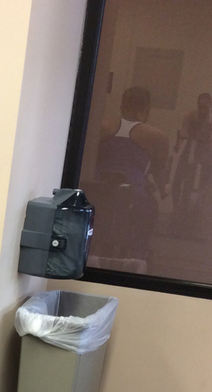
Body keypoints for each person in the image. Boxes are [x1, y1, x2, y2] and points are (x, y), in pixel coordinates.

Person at [90, 85, 168, 272]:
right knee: (150, 209)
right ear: (147, 109)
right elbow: (159, 172)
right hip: (134, 193)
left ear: (122, 106)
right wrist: (164, 190)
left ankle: (90, 249)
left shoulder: (101, 126)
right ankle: (138, 256)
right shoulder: (157, 136)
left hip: (99, 190)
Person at [170, 92, 212, 233]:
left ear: (210, 106)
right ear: (197, 106)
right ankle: (178, 210)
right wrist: (178, 144)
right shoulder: (190, 116)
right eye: (201, 107)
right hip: (191, 149)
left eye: (206, 108)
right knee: (179, 180)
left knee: (203, 184)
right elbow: (183, 131)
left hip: (206, 151)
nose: (203, 111)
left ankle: (197, 214)